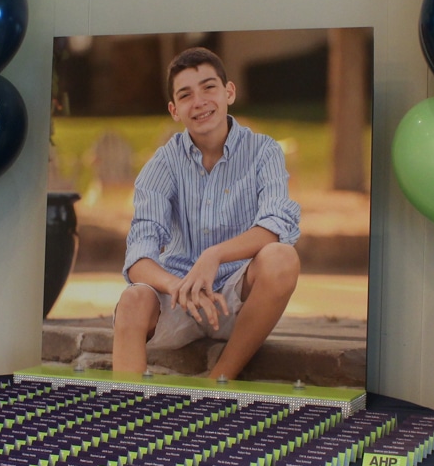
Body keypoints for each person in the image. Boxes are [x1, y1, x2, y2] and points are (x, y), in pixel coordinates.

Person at [112, 47, 301, 381]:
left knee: (282, 258)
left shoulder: (264, 151)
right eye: (186, 95)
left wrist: (214, 255)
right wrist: (178, 286)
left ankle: (219, 382)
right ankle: (124, 410)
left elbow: (275, 225)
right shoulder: (162, 164)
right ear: (174, 110)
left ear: (229, 92)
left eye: (209, 87)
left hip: (236, 300)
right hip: (178, 300)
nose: (199, 102)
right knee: (132, 299)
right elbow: (138, 256)